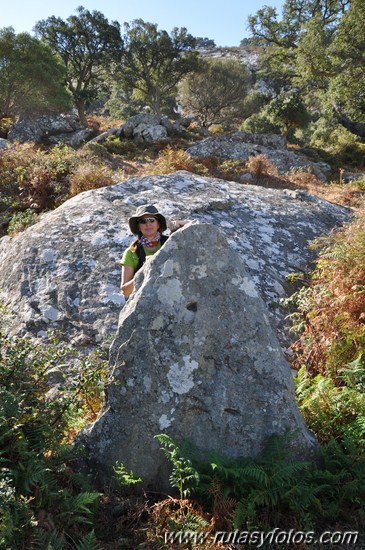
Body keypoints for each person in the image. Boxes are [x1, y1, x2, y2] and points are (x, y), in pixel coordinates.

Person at [120, 204, 185, 298]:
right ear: (138, 227)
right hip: (144, 301)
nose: (148, 224)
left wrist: (184, 224)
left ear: (158, 224)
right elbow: (125, 291)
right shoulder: (131, 252)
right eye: (143, 221)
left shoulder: (171, 242)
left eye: (151, 220)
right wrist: (145, 269)